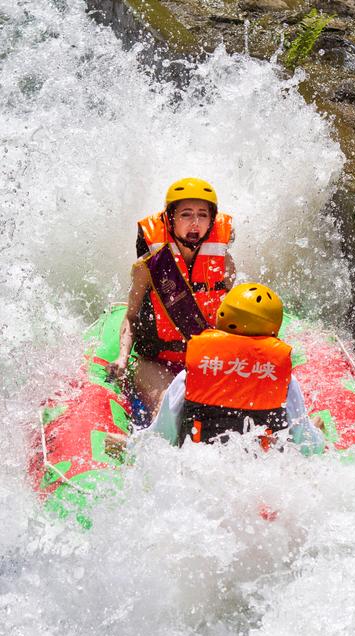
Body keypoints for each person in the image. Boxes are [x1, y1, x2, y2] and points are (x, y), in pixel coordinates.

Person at [143, 283, 325, 454]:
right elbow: (303, 444)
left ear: (221, 319)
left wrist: (131, 444)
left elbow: (162, 438)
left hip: (200, 470)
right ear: (273, 331)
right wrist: (317, 436)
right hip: (262, 474)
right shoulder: (284, 381)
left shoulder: (190, 375)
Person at [107, 178, 236, 412]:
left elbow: (233, 318)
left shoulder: (223, 262)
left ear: (211, 220)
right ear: (171, 218)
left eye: (203, 215)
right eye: (186, 214)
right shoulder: (148, 266)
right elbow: (131, 316)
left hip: (206, 360)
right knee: (168, 406)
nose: (195, 223)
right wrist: (123, 357)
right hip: (156, 362)